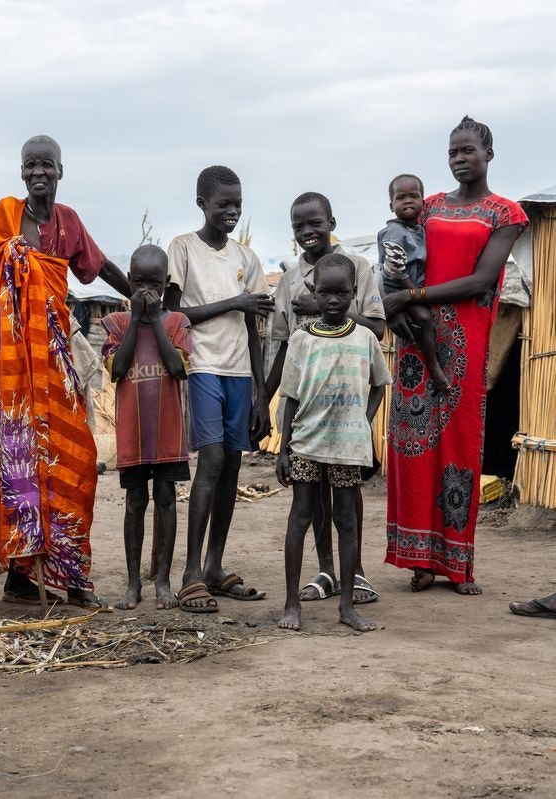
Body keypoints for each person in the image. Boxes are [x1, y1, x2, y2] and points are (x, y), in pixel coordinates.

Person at [0, 135, 129, 609]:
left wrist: (139, 291)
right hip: (10, 376)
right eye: (31, 165)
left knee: (74, 460)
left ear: (61, 170)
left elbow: (98, 265)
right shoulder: (4, 218)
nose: (38, 173)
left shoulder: (68, 221)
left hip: (56, 363)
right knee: (20, 464)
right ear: (21, 171)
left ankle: (72, 574)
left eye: (47, 165)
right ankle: (20, 578)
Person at [383, 116, 528, 594]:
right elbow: (398, 257)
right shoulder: (426, 206)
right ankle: (419, 561)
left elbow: (481, 281)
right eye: (453, 152)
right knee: (413, 447)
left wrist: (412, 296)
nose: (460, 159)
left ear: (489, 154)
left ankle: (457, 562)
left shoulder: (504, 213)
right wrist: (396, 304)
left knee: (460, 446)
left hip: (466, 338)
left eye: (468, 150)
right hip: (415, 339)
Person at [265, 192, 385, 606]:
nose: (307, 232)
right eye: (298, 226)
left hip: (346, 413)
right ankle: (325, 569)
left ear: (331, 222)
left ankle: (355, 571)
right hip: (310, 408)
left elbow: (377, 329)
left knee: (347, 499)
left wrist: (321, 308)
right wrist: (263, 400)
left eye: (315, 223)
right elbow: (284, 347)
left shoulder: (359, 267)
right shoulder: (289, 280)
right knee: (310, 496)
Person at [165, 165, 273, 613]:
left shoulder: (247, 259)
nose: (232, 211)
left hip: (240, 373)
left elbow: (253, 330)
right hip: (203, 367)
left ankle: (214, 565)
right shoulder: (183, 248)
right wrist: (234, 301)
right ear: (202, 203)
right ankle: (190, 572)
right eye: (223, 203)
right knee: (210, 460)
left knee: (231, 465)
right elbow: (174, 314)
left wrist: (262, 394)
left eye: (238, 204)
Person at [102, 245, 192, 610]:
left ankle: (164, 582)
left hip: (168, 434)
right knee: (135, 503)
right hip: (132, 435)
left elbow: (178, 368)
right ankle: (133, 583)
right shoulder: (116, 323)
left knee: (166, 500)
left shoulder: (177, 322)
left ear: (166, 283)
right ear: (128, 281)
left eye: (154, 284)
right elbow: (118, 368)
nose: (146, 290)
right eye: (138, 283)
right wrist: (137, 317)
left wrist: (154, 320)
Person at [378, 175, 449, 394]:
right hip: (397, 287)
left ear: (422, 202)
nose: (408, 200)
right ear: (392, 206)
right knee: (424, 318)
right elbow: (395, 268)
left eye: (414, 196)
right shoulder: (394, 232)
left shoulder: (419, 230)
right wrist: (415, 292)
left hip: (410, 287)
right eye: (400, 197)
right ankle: (435, 368)